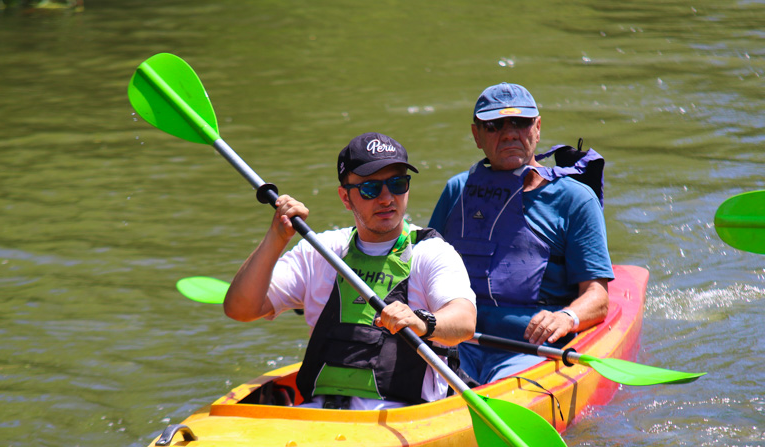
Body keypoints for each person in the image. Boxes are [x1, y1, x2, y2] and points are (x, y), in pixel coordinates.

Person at [224, 132, 477, 409]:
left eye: (397, 184)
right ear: (345, 198)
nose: (386, 198)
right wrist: (276, 237)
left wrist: (422, 322)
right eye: (371, 188)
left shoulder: (431, 252)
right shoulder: (321, 251)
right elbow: (241, 308)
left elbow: (464, 322)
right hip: (315, 414)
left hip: (401, 416)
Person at [428, 82, 614, 385]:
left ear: (538, 128)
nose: (510, 132)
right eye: (494, 125)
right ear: (477, 135)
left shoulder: (575, 199)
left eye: (521, 122)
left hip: (530, 349)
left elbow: (597, 296)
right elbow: (424, 271)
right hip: (457, 339)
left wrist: (566, 318)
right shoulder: (457, 190)